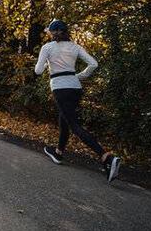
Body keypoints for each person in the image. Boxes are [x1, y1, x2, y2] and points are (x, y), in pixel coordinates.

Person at [35, 19, 121, 182]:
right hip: (75, 87)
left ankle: (106, 157)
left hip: (60, 88)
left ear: (52, 33)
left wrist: (47, 63)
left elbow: (38, 71)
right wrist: (79, 76)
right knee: (64, 119)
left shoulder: (47, 48)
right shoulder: (75, 47)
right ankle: (59, 153)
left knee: (74, 125)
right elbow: (93, 64)